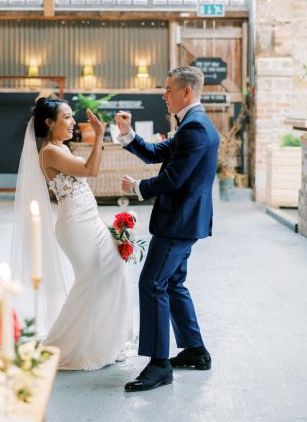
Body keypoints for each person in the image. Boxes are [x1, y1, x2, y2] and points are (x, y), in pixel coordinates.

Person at [114, 66, 220, 392]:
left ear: (186, 93)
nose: (164, 95)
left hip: (179, 222)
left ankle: (159, 365)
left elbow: (173, 179)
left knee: (152, 283)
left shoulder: (196, 129)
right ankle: (195, 351)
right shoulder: (191, 125)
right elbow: (156, 153)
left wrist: (138, 188)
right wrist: (128, 133)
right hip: (184, 220)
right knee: (173, 282)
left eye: (168, 89)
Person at [12, 97, 132, 370]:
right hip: (76, 226)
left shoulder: (61, 148)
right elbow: (91, 170)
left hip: (89, 221)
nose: (71, 122)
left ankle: (104, 341)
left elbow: (82, 190)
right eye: (65, 117)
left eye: (70, 116)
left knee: (111, 273)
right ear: (49, 122)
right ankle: (66, 346)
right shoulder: (50, 152)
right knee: (91, 280)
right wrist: (100, 135)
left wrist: (105, 225)